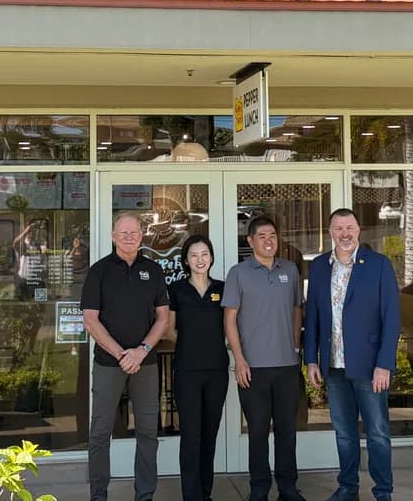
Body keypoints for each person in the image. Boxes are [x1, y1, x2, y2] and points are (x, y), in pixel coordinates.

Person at [304, 209, 401, 501]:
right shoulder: (320, 266)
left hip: (370, 366)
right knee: (344, 434)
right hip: (333, 367)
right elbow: (313, 317)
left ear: (358, 231)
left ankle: (383, 491)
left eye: (349, 228)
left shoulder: (378, 265)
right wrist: (311, 359)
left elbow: (391, 318)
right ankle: (348, 488)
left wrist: (384, 364)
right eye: (338, 229)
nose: (344, 234)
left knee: (378, 434)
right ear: (330, 233)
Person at [81, 212, 170, 501]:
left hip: (146, 363)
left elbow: (163, 319)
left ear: (141, 236)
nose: (129, 237)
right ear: (112, 235)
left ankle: (145, 495)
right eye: (123, 232)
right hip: (109, 363)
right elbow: (91, 321)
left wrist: (141, 351)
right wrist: (122, 354)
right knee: (99, 433)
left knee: (147, 433)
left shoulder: (153, 271)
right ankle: (98, 495)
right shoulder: (99, 271)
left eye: (134, 232)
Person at [223, 216, 305, 501]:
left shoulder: (291, 270)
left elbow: (297, 309)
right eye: (262, 236)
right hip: (253, 368)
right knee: (257, 432)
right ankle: (259, 489)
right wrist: (240, 360)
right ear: (250, 241)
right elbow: (229, 319)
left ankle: (288, 488)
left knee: (287, 431)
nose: (269, 241)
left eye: (273, 235)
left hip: (287, 367)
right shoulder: (239, 273)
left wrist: (295, 347)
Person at [167, 235, 229, 501]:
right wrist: (193, 343)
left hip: (216, 370)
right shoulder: (177, 290)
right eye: (194, 255)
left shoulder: (223, 289)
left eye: (204, 254)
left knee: (209, 435)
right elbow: (169, 330)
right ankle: (191, 496)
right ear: (185, 261)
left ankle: (206, 493)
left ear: (212, 258)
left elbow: (231, 326)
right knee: (191, 436)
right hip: (187, 371)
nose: (200, 260)